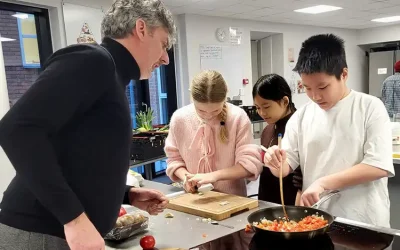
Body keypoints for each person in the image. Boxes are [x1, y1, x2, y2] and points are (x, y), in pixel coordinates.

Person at [0, 1, 176, 249]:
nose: (166, 58)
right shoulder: (94, 60)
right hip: (40, 233)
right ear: (141, 29)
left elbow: (80, 157)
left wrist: (126, 194)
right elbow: (16, 130)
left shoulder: (112, 75)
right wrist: (73, 219)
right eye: (164, 44)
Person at [263, 34, 394, 228]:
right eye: (307, 88)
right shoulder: (302, 116)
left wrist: (323, 183)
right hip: (317, 220)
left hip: (364, 220)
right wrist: (274, 160)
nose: (315, 96)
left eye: (323, 87)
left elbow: (378, 166)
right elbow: (284, 167)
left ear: (344, 74)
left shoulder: (369, 107)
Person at [165, 70, 263, 250]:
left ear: (225, 97)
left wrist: (213, 176)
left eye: (216, 110)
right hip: (196, 206)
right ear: (191, 97)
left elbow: (249, 165)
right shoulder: (180, 118)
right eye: (201, 110)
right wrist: (186, 176)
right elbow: (174, 159)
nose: (208, 115)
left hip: (233, 206)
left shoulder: (238, 117)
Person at [253, 74, 303, 206]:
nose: (262, 113)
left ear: (285, 101)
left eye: (266, 106)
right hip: (266, 202)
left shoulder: (299, 127)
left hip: (290, 205)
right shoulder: (268, 129)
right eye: (258, 108)